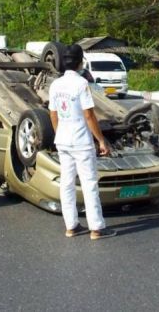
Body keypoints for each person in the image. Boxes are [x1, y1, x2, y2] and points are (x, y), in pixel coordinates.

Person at [48, 44, 116, 240]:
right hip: (81, 142)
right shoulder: (81, 84)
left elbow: (53, 114)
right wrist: (101, 140)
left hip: (63, 140)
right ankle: (96, 228)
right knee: (89, 184)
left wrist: (59, 133)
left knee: (67, 184)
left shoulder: (55, 85)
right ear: (80, 62)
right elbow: (89, 115)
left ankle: (71, 226)